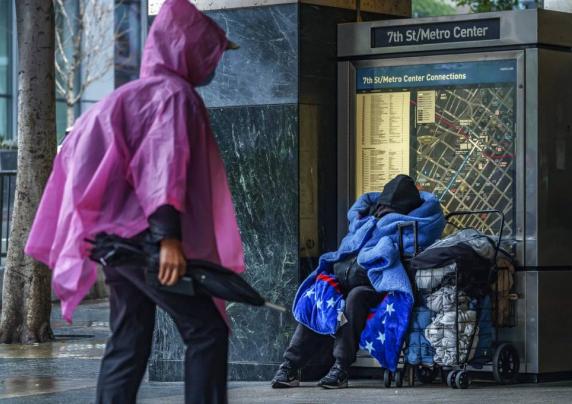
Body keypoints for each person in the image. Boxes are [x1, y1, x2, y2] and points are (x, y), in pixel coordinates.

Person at [24, 1, 243, 403]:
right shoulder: (174, 95)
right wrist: (167, 238)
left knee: (129, 338)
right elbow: (162, 166)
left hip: (113, 243)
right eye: (210, 52)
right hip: (145, 241)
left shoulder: (127, 96)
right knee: (206, 331)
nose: (212, 65)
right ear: (189, 50)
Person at [271, 175, 445, 389]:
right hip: (347, 276)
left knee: (355, 298)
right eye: (383, 208)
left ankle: (341, 367)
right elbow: (348, 247)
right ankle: (290, 365)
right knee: (320, 292)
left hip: (377, 285)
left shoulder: (415, 225)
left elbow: (404, 256)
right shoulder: (366, 219)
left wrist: (382, 250)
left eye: (389, 209)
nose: (384, 212)